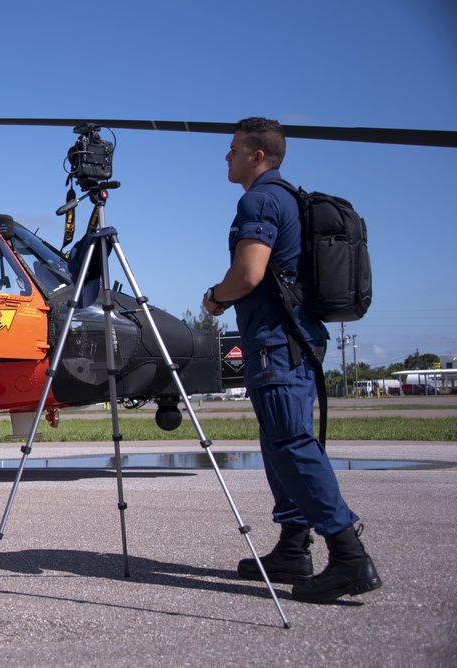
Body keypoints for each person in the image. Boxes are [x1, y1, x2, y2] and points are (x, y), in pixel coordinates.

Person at [202, 117, 380, 603]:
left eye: (234, 149)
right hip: (293, 339)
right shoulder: (291, 199)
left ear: (257, 155)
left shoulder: (258, 199)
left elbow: (249, 272)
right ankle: (293, 546)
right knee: (279, 442)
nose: (227, 156)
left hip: (276, 342)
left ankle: (348, 556)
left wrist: (215, 299)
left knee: (292, 443)